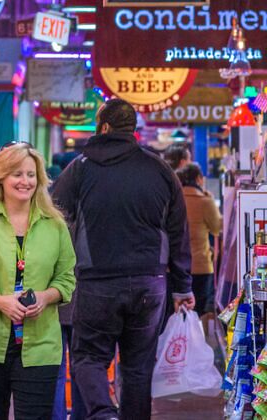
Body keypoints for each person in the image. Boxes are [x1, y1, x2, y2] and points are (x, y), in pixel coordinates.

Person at [53, 98, 192, 420]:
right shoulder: (159, 169)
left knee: (89, 357)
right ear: (132, 129)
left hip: (96, 281)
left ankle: (102, 414)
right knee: (139, 366)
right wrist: (182, 286)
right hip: (150, 283)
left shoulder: (81, 168)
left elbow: (54, 217)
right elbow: (178, 231)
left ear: (103, 127)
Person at [0, 144, 76, 420]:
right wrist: (0, 301)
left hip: (40, 343)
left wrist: (46, 297)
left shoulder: (55, 224)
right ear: (1, 177)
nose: (25, 182)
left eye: (31, 175)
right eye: (17, 174)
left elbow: (66, 277)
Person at [178, 162, 222, 314]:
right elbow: (217, 227)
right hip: (200, 266)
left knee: (178, 311)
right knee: (198, 311)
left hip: (176, 266)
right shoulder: (205, 201)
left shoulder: (175, 198)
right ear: (198, 179)